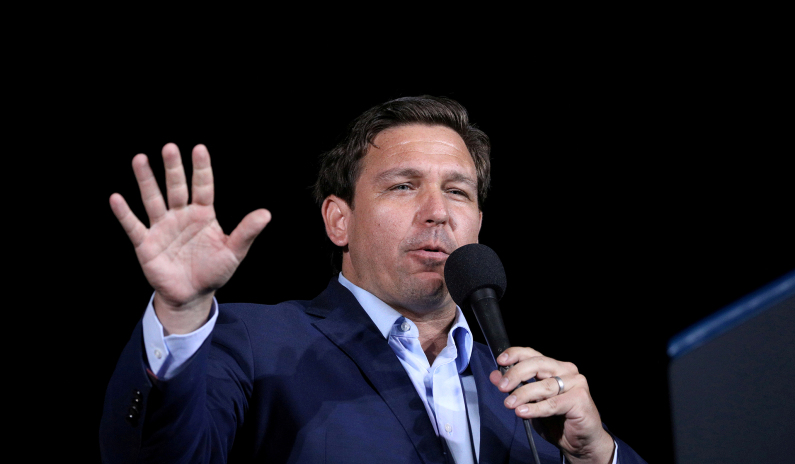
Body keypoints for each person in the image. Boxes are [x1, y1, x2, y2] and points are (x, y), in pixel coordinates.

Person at [100, 96, 646, 463]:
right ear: (339, 220)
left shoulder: (530, 397)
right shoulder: (254, 342)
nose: (438, 212)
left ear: (478, 223)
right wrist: (179, 314)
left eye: (457, 191)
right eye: (403, 186)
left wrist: (597, 454)